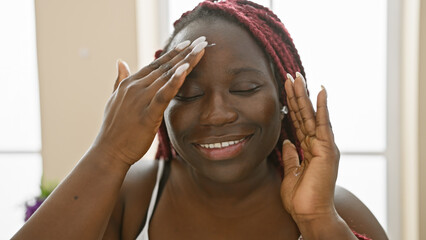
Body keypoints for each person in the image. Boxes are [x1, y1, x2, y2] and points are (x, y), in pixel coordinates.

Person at [13, 0, 388, 239]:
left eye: (244, 88)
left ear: (285, 97)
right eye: (188, 94)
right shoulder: (133, 197)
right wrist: (108, 152)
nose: (216, 113)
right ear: (161, 109)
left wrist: (319, 222)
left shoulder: (337, 213)